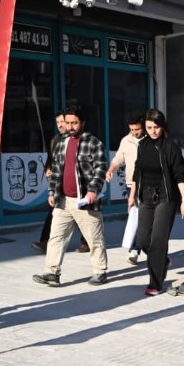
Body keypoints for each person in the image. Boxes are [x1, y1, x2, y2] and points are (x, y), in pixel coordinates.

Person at [32, 105, 109, 287]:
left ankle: (100, 272)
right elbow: (56, 170)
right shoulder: (61, 142)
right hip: (63, 200)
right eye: (67, 123)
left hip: (84, 201)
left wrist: (93, 190)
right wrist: (52, 191)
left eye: (74, 123)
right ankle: (52, 273)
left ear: (82, 122)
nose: (70, 127)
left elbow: (100, 169)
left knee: (94, 238)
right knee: (56, 237)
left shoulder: (93, 143)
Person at [130, 109, 184, 295]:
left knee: (158, 241)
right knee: (143, 240)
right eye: (149, 127)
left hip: (166, 197)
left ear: (162, 127)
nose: (153, 131)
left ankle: (155, 283)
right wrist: (132, 195)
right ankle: (161, 260)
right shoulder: (142, 145)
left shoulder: (170, 147)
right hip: (146, 197)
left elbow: (179, 175)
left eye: (156, 127)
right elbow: (137, 172)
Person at [34, 111, 88, 254]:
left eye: (62, 122)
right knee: (53, 213)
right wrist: (48, 169)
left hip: (75, 187)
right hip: (59, 185)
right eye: (57, 122)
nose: (60, 125)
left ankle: (87, 241)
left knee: (80, 215)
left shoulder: (81, 140)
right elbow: (51, 159)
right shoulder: (56, 140)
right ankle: (46, 242)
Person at [105, 112, 146, 264]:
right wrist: (111, 169)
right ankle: (135, 249)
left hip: (150, 184)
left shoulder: (151, 139)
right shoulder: (126, 140)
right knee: (136, 216)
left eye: (137, 129)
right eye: (132, 130)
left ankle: (141, 247)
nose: (135, 132)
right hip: (131, 184)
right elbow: (118, 159)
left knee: (145, 217)